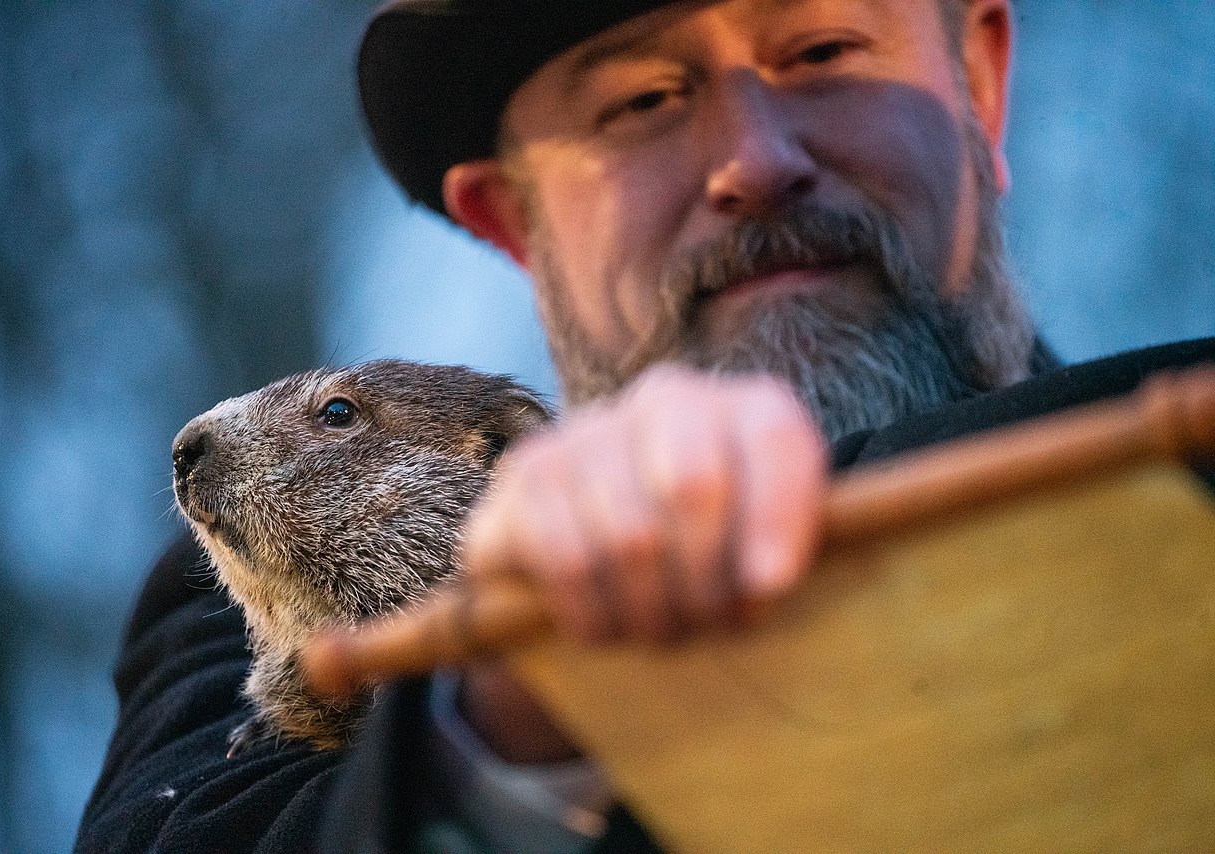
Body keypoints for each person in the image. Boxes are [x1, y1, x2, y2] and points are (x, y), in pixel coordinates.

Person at [76, 1, 1214, 851]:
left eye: (824, 51)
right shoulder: (216, 631)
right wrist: (517, 710)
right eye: (639, 103)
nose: (757, 164)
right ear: (513, 224)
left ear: (981, 83)